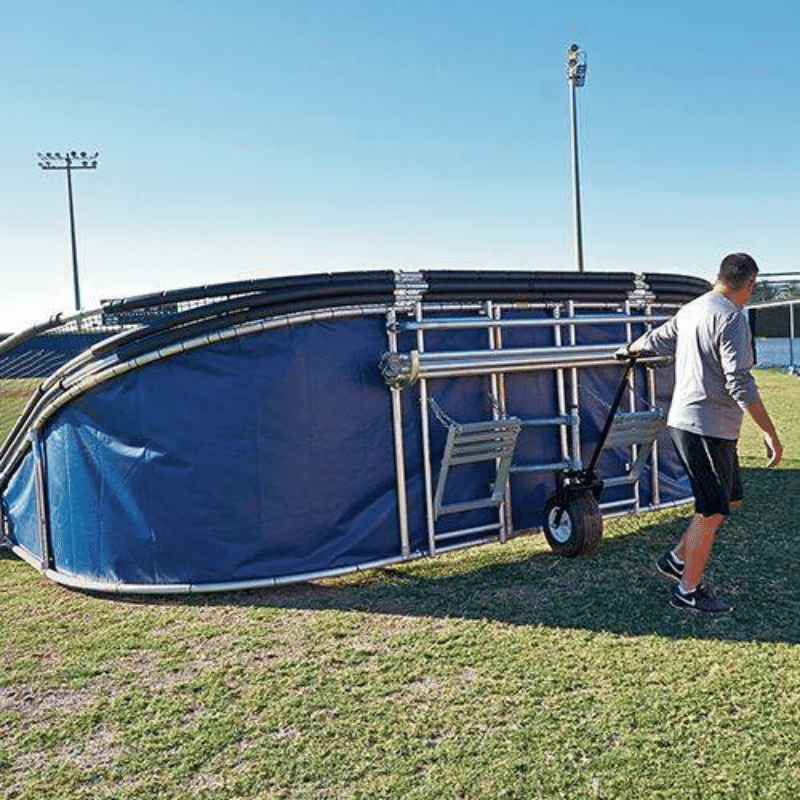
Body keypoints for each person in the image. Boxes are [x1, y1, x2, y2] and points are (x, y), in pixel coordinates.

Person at [618, 252, 783, 615]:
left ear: (718, 276)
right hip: (703, 427)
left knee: (728, 501)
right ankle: (687, 591)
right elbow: (739, 382)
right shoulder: (731, 318)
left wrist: (629, 348)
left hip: (705, 426)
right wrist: (770, 433)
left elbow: (657, 339)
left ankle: (677, 559)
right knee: (710, 510)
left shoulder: (693, 308)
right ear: (750, 286)